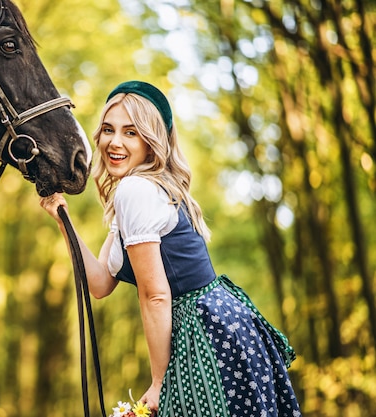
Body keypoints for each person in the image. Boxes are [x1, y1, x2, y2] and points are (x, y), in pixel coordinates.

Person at [40, 81, 301, 417]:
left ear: (152, 142)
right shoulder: (139, 190)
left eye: (131, 133)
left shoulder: (135, 190)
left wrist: (159, 381)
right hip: (213, 325)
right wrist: (63, 219)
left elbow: (156, 295)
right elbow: (101, 284)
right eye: (108, 129)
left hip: (202, 333)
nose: (114, 142)